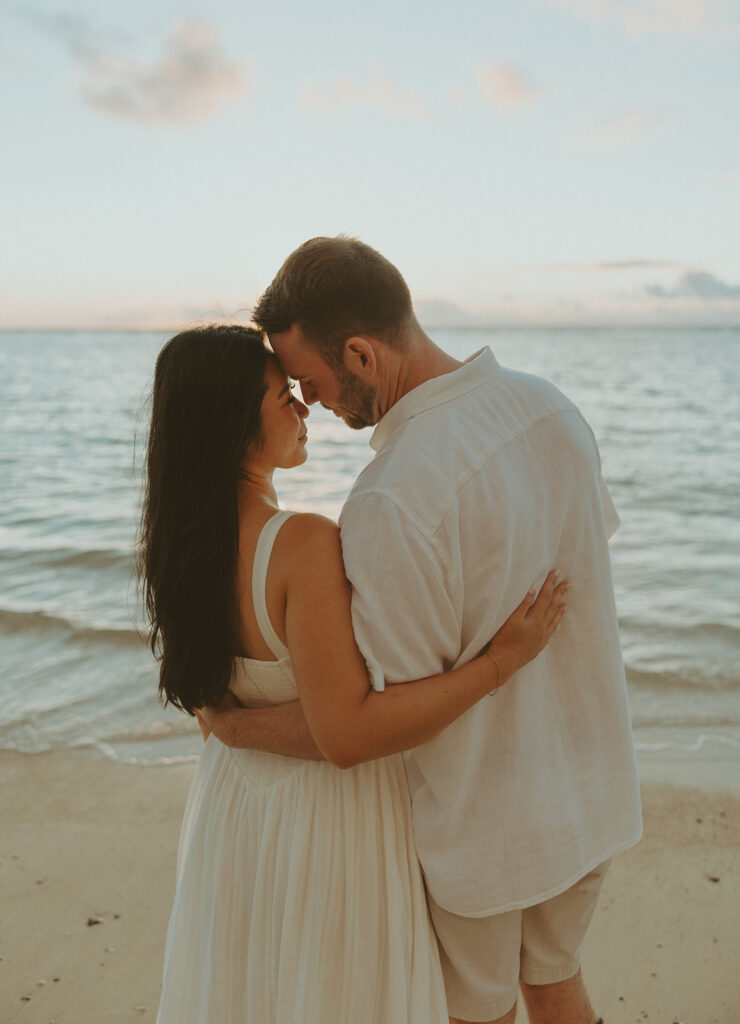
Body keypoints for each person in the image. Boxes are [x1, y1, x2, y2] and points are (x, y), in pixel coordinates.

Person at [202, 236, 643, 1024]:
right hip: (588, 785)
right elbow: (583, 570)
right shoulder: (552, 408)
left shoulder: (392, 500)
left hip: (481, 823)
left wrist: (239, 726)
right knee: (556, 983)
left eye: (310, 379)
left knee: (479, 1013)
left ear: (363, 356)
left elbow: (378, 718)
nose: (313, 402)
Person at [139, 324, 567, 1024]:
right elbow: (349, 731)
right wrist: (500, 662)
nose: (304, 410)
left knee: (253, 992)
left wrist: (234, 727)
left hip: (236, 814)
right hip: (327, 826)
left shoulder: (176, 545)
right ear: (236, 422)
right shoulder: (300, 544)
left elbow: (209, 698)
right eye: (285, 398)